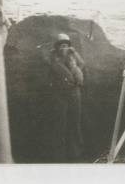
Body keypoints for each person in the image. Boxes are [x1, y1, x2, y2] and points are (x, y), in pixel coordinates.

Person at [45, 33, 85, 162]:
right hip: (59, 94)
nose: (64, 48)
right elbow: (51, 73)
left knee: (75, 122)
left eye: (66, 45)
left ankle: (76, 152)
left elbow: (82, 65)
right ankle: (58, 154)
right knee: (59, 123)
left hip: (74, 93)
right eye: (61, 45)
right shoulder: (53, 59)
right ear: (57, 47)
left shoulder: (73, 57)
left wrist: (74, 56)